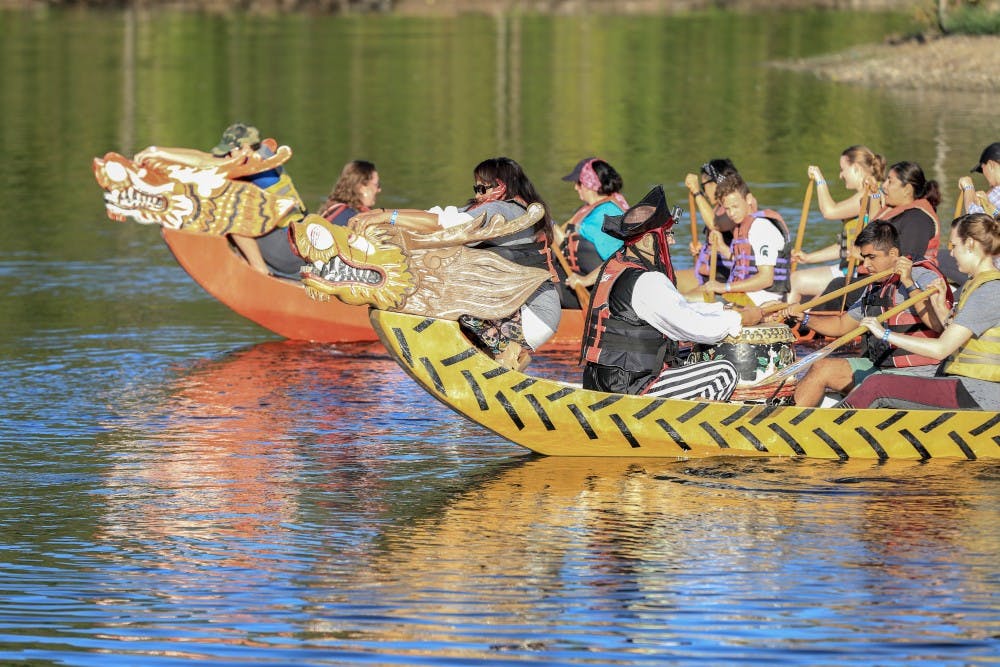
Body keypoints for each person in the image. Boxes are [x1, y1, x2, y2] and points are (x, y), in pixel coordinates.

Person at [352, 157, 560, 368]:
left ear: (500, 186)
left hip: (533, 313)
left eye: (481, 188)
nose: (476, 195)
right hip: (515, 307)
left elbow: (443, 225)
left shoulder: (502, 211)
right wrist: (383, 215)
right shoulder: (496, 206)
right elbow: (436, 216)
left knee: (447, 290)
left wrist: (387, 217)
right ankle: (495, 353)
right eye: (475, 188)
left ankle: (506, 349)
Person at [581, 185, 764, 401]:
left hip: (601, 380)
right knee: (723, 371)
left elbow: (679, 309)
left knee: (692, 355)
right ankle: (690, 430)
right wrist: (740, 318)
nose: (672, 241)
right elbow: (695, 327)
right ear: (649, 241)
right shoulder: (647, 280)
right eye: (668, 235)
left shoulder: (620, 267)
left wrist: (723, 309)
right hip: (630, 389)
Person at [840, 213, 1000, 411]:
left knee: (878, 386)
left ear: (970, 244)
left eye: (954, 246)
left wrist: (885, 333)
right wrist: (941, 309)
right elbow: (957, 336)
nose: (950, 254)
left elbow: (942, 349)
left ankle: (822, 429)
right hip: (962, 382)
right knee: (878, 384)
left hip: (982, 393)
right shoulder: (974, 285)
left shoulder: (990, 290)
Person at [785, 222, 952, 407]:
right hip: (882, 369)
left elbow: (938, 325)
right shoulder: (876, 285)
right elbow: (842, 325)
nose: (866, 265)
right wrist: (805, 318)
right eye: (864, 258)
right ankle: (784, 423)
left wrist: (908, 282)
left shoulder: (924, 277)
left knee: (872, 387)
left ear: (894, 254)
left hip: (921, 374)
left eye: (872, 257)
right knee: (821, 367)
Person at [208, 123, 310, 277]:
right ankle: (247, 264)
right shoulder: (264, 155)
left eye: (230, 153)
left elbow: (215, 173)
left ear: (246, 148)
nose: (227, 157)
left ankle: (260, 271)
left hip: (288, 250)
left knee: (230, 214)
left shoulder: (259, 167)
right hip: (297, 246)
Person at [788, 145, 886, 304]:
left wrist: (820, 178)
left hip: (857, 273)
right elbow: (845, 247)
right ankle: (792, 322)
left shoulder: (869, 195)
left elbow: (829, 211)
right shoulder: (863, 195)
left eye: (843, 169)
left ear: (855, 168)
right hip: (846, 268)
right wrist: (808, 258)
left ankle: (786, 325)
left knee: (796, 281)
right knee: (796, 281)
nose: (841, 175)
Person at [696, 174, 792, 306]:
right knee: (691, 296)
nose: (731, 213)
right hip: (745, 295)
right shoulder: (744, 227)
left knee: (689, 301)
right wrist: (722, 247)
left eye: (735, 207)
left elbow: (766, 279)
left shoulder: (761, 228)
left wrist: (725, 287)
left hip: (763, 300)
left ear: (748, 199)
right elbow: (745, 263)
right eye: (727, 209)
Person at [553, 158, 628, 305]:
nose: (575, 188)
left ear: (589, 185)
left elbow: (621, 259)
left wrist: (585, 281)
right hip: (581, 280)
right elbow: (569, 242)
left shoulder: (606, 215)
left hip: (606, 294)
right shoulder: (590, 209)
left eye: (578, 183)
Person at [682, 158, 743, 288]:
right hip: (706, 276)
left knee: (678, 297)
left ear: (716, 183)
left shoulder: (735, 209)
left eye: (704, 186)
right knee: (667, 280)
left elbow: (715, 225)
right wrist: (702, 251)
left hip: (722, 280)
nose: (704, 191)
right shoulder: (717, 209)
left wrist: (697, 192)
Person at [317, 160, 381, 226]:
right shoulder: (353, 218)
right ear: (361, 187)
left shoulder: (332, 209)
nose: (379, 190)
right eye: (377, 185)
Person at [958, 142, 1000, 218]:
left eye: (982, 169)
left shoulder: (997, 192)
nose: (983, 174)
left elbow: (974, 218)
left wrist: (968, 186)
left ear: (991, 165)